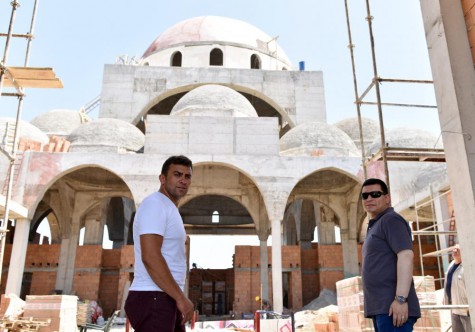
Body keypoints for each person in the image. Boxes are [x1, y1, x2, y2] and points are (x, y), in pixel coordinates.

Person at [125, 155, 195, 332]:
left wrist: (177, 297)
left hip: (164, 296)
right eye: (177, 174)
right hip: (153, 296)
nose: (183, 180)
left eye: (187, 176)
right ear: (162, 178)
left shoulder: (169, 208)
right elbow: (151, 256)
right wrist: (180, 298)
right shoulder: (155, 204)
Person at [361, 178, 421, 331]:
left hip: (393, 309)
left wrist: (400, 300)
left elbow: (406, 256)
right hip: (382, 309)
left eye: (375, 194)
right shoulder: (377, 224)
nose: (369, 199)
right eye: (365, 196)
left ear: (387, 198)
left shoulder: (391, 220)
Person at [444, 244, 472, 332]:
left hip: (466, 309)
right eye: (454, 249)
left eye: (457, 250)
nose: (454, 251)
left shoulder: (467, 267)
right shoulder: (451, 265)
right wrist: (445, 297)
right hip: (454, 307)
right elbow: (448, 283)